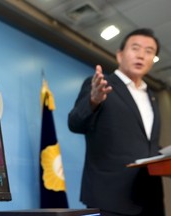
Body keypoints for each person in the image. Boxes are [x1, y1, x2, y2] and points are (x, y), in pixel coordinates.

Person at [68, 28, 165, 216]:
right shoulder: (100, 85)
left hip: (150, 199)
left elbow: (144, 144)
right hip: (110, 198)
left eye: (149, 51)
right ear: (120, 55)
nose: (141, 55)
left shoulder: (152, 97)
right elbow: (74, 123)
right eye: (135, 48)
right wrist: (93, 100)